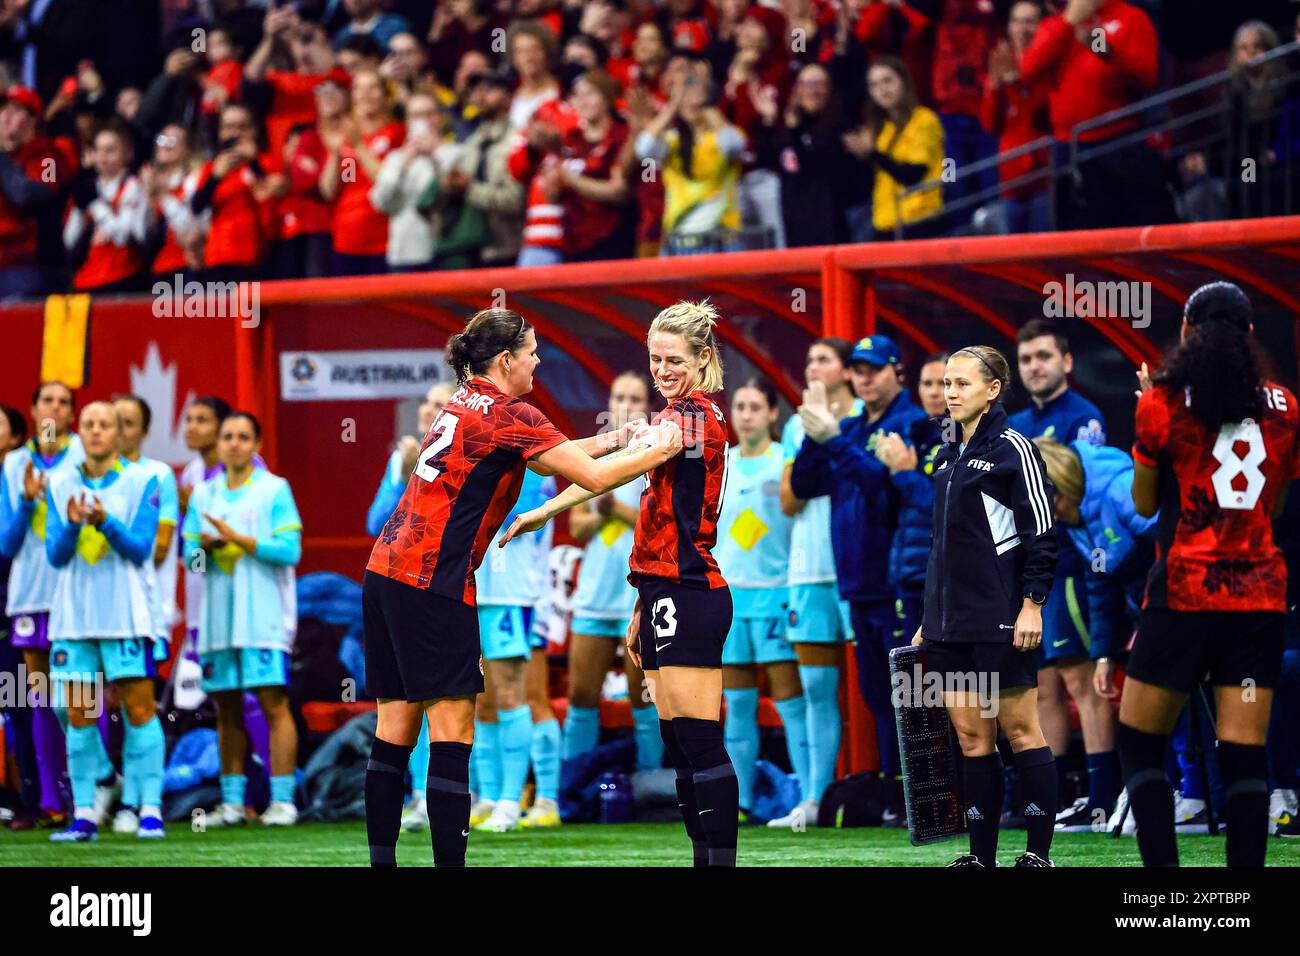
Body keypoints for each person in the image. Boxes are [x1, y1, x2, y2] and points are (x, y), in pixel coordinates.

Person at [362, 308, 682, 867]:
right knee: (455, 728)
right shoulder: (513, 412)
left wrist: (616, 440)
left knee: (394, 728)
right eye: (532, 351)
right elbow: (592, 480)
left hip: (385, 573)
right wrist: (662, 449)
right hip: (434, 583)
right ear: (506, 360)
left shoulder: (466, 400)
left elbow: (543, 457)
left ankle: (383, 862)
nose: (538, 360)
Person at [501, 300, 737, 866]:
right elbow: (613, 478)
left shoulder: (694, 417)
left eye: (674, 359)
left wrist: (562, 464)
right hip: (660, 591)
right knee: (679, 745)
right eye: (655, 359)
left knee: (699, 741)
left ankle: (720, 860)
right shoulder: (668, 417)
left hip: (692, 591)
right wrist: (545, 511)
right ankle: (703, 856)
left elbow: (614, 472)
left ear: (703, 360)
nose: (662, 370)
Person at [1120, 282, 1298, 868]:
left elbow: (1144, 504)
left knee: (1141, 744)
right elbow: (1269, 506)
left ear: (1187, 332)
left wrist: (1152, 418)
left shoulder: (1161, 403)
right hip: (1258, 600)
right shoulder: (1286, 408)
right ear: (1250, 335)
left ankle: (1164, 895)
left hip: (1184, 597)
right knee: (1244, 755)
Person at [915, 346, 1060, 868]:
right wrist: (928, 617)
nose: (948, 392)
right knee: (973, 738)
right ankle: (981, 859)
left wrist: (1033, 604)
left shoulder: (1013, 448)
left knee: (1021, 732)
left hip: (1001, 615)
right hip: (949, 621)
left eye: (961, 384)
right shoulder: (946, 447)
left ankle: (1037, 854)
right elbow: (942, 543)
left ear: (993, 389)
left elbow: (1041, 531)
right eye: (945, 383)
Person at [792, 334, 926, 804]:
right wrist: (816, 434)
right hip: (857, 582)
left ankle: (918, 790)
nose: (865, 377)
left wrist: (833, 440)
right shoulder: (849, 428)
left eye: (875, 368)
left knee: (909, 691)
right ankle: (893, 788)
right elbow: (804, 483)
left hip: (895, 580)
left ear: (897, 372)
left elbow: (884, 489)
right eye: (859, 369)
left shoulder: (912, 422)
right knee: (875, 691)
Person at [1008, 319, 1118, 830]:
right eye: (1026, 358)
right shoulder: (1017, 421)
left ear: (1067, 362)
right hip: (1029, 572)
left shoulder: (1084, 417)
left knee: (1082, 681)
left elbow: (1082, 500)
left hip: (1073, 565)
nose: (1035, 366)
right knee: (1044, 685)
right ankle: (1051, 795)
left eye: (1044, 356)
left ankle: (1103, 793)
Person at [46, 401, 164, 842]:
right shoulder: (59, 484)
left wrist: (105, 522)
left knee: (139, 709)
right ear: (80, 430)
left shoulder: (142, 481)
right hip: (74, 616)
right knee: (78, 713)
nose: (96, 431)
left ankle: (150, 807)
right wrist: (75, 527)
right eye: (89, 424)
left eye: (106, 425)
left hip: (125, 614)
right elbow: (56, 557)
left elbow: (140, 549)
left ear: (119, 434)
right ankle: (84, 814)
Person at [183, 411, 302, 828]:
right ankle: (233, 804)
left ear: (257, 445)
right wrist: (208, 547)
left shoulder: (274, 490)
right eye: (227, 436)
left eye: (242, 436)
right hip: (218, 618)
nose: (233, 443)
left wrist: (239, 539)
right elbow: (190, 560)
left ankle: (283, 800)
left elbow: (289, 552)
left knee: (272, 702)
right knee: (226, 707)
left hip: (263, 616)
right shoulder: (203, 495)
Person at [770, 338, 860, 829]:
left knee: (881, 685)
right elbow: (789, 500)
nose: (812, 366)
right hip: (807, 569)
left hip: (858, 566)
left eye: (823, 358)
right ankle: (814, 800)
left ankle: (882, 792)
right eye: (808, 359)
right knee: (816, 688)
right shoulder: (794, 423)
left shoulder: (869, 412)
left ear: (847, 371)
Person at [564, 373, 661, 772]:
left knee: (644, 697)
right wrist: (599, 514)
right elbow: (576, 526)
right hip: (595, 594)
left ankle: (653, 786)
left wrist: (614, 510)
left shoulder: (655, 454)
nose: (625, 403)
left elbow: (659, 520)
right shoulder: (592, 455)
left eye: (634, 398)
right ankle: (573, 787)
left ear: (647, 407)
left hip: (635, 595)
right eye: (619, 396)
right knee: (581, 696)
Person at [0, 382, 85, 828]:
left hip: (77, 591)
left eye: (64, 402)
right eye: (47, 400)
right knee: (41, 698)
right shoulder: (14, 462)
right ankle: (52, 798)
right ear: (32, 410)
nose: (55, 408)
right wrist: (28, 502)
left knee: (82, 694)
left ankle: (89, 794)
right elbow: (7, 543)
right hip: (31, 592)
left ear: (74, 413)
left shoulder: (83, 457)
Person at [716, 378, 800, 822]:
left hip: (776, 596)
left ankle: (806, 795)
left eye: (755, 407)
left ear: (772, 414)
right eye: (740, 406)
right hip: (732, 598)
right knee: (740, 705)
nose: (745, 414)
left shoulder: (783, 463)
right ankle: (742, 801)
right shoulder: (722, 465)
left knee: (789, 699)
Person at [469, 467, 555, 833]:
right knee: (482, 700)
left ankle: (511, 799)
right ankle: (489, 796)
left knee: (510, 695)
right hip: (470, 588)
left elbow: (509, 511)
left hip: (510, 591)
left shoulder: (533, 464)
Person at [111, 395, 181, 833]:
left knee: (137, 703)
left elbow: (155, 549)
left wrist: (107, 530)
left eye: (129, 423)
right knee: (73, 704)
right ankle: (106, 781)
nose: (119, 430)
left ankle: (137, 802)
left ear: (143, 430)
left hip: (140, 608)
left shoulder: (157, 477)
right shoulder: (85, 478)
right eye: (113, 421)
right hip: (89, 613)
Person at [634, 55, 746, 254]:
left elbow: (733, 145)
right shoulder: (672, 142)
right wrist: (672, 107)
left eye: (697, 94)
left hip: (722, 238)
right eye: (686, 96)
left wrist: (712, 112)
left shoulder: (722, 136)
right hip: (682, 238)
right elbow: (644, 149)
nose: (692, 101)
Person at [842, 55, 945, 240]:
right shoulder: (883, 128)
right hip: (885, 222)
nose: (882, 90)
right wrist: (860, 155)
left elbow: (912, 175)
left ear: (904, 81)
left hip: (919, 221)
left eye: (887, 81)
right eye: (874, 85)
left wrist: (873, 154)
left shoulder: (924, 120)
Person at [319, 68, 405, 276]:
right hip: (347, 238)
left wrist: (358, 145)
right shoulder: (346, 136)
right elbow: (329, 191)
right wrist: (334, 152)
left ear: (386, 96)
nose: (365, 94)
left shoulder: (397, 132)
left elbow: (385, 180)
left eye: (372, 87)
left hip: (383, 239)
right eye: (359, 88)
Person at [63, 121, 147, 293]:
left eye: (110, 151)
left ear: (128, 154)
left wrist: (95, 205)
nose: (102, 158)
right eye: (98, 151)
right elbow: (69, 241)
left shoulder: (133, 186)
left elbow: (123, 235)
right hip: (86, 280)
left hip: (122, 278)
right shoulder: (88, 187)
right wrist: (79, 210)